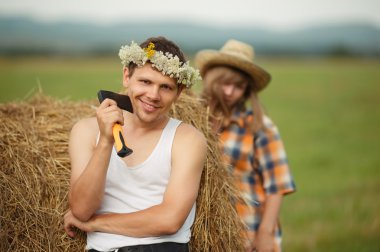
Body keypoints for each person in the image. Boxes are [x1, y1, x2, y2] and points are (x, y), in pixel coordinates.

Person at [64, 36, 206, 252]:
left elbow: (169, 220)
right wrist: (105, 141)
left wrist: (94, 224)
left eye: (166, 87)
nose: (153, 95)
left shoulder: (187, 139)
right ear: (126, 76)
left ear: (179, 93)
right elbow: (81, 210)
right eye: (145, 82)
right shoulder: (85, 131)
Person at [194, 39, 296, 252]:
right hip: (203, 234)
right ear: (212, 79)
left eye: (239, 86)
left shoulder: (259, 127)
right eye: (225, 83)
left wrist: (265, 234)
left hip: (248, 232)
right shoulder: (193, 120)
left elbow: (277, 186)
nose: (230, 92)